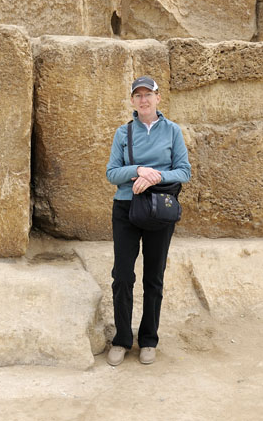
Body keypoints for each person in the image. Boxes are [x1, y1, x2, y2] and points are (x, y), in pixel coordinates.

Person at [105, 75, 191, 366]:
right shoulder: (123, 133)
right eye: (138, 95)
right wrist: (138, 170)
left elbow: (183, 172)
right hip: (126, 210)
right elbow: (111, 173)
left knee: (153, 277)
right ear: (132, 101)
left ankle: (149, 339)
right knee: (122, 277)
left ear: (158, 97)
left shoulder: (173, 131)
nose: (144, 100)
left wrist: (155, 177)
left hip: (160, 209)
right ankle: (121, 339)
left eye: (148, 94)